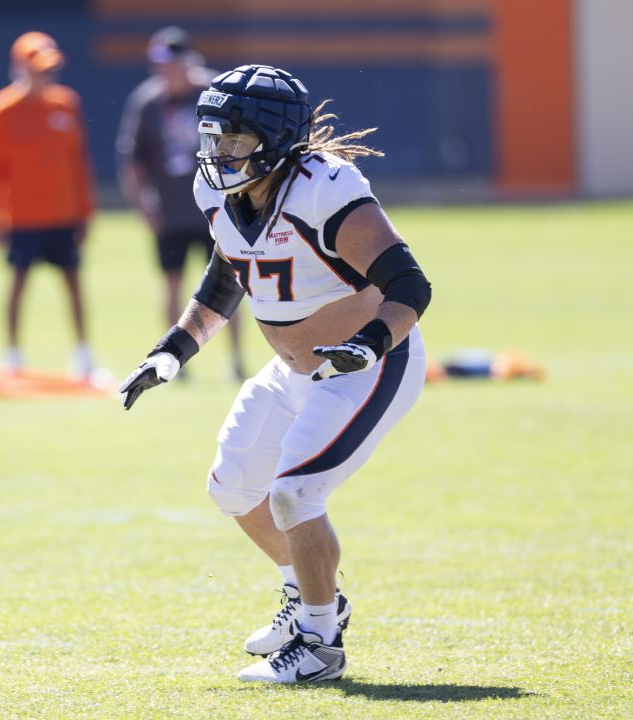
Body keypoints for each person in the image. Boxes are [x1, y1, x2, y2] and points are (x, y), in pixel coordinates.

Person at [118, 65, 433, 683]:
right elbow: (231, 273)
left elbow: (409, 285)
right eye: (212, 137)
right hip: (292, 371)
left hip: (367, 366)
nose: (217, 153)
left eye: (233, 139)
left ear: (275, 139)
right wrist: (174, 349)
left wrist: (366, 346)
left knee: (295, 491)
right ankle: (307, 596)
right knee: (233, 486)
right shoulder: (222, 192)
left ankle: (320, 644)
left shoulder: (325, 188)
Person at [116, 27, 246, 381]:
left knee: (231, 285)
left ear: (187, 61)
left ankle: (236, 359)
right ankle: (174, 361)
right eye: (158, 65)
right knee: (173, 284)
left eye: (170, 63)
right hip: (170, 212)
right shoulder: (147, 102)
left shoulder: (215, 93)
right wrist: (144, 206)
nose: (164, 72)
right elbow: (133, 160)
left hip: (217, 210)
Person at [0, 31, 103, 382]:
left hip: (63, 215)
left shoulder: (66, 104)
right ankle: (13, 354)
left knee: (74, 283)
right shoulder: (1, 110)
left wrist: (85, 211)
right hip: (23, 217)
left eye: (50, 70)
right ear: (20, 68)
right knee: (18, 283)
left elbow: (79, 163)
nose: (46, 77)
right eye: (39, 69)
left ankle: (83, 354)